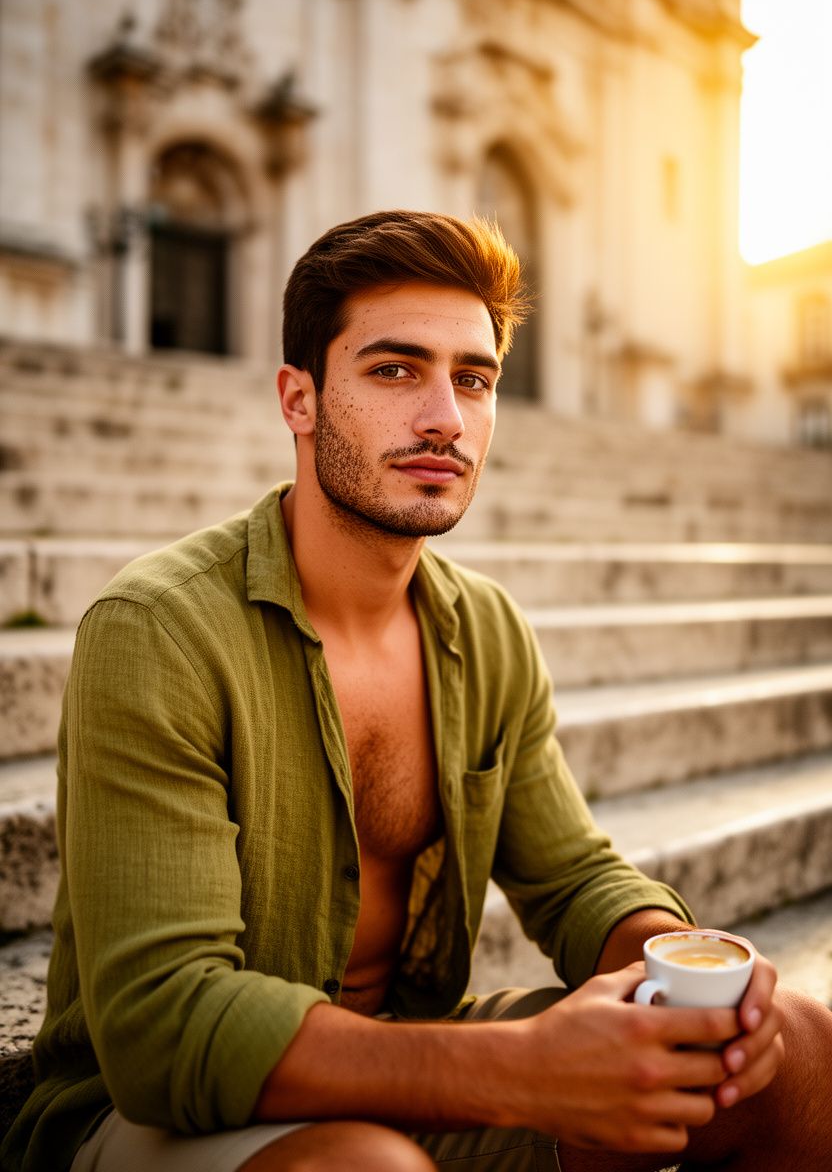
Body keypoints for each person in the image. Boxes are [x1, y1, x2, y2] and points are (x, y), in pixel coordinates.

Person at [3, 210, 830, 1172]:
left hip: (412, 1059)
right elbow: (164, 1027)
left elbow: (572, 879)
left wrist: (689, 968)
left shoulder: (486, 631)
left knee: (802, 1051)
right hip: (154, 1115)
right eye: (395, 370)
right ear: (299, 399)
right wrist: (518, 1065)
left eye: (472, 379)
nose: (444, 416)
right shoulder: (160, 631)